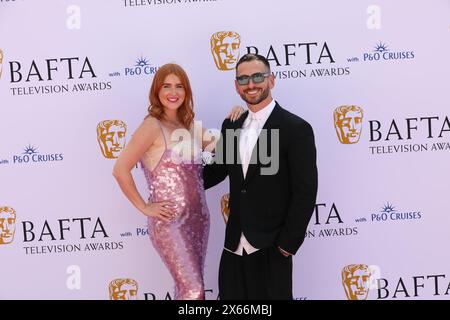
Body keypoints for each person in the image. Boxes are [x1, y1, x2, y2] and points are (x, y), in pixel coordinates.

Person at [112, 63, 243, 300]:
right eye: (167, 86)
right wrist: (145, 207)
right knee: (194, 290)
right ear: (157, 91)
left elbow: (226, 150)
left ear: (186, 91)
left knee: (190, 288)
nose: (173, 92)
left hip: (199, 218)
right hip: (170, 222)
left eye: (179, 86)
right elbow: (120, 169)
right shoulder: (151, 125)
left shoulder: (189, 125)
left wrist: (234, 118)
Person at [203, 53, 318, 300]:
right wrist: (178, 181)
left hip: (272, 247)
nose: (251, 84)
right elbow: (218, 170)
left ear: (271, 80)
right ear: (236, 86)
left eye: (257, 76)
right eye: (243, 79)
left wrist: (287, 246)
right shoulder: (232, 125)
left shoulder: (295, 128)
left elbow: (305, 192)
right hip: (233, 246)